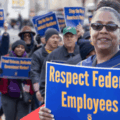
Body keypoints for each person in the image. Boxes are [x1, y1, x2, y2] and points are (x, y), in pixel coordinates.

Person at [39, 6, 120, 119]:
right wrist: (50, 114)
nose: (103, 31)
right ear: (90, 31)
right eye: (97, 26)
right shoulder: (80, 67)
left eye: (111, 26)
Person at [40, 26, 80, 99]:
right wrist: (47, 96)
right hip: (58, 98)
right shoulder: (53, 55)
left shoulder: (83, 53)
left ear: (76, 38)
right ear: (63, 38)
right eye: (66, 36)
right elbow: (44, 79)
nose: (69, 38)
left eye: (71, 36)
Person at [0, 40, 34, 120]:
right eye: (18, 47)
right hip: (8, 95)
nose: (20, 49)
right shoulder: (6, 59)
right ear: (14, 48)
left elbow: (35, 75)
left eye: (22, 47)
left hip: (24, 95)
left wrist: (31, 73)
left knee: (23, 118)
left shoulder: (29, 60)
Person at [30, 28, 59, 102]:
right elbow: (34, 73)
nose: (55, 40)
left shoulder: (62, 52)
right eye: (53, 37)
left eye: (57, 37)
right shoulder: (37, 54)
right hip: (44, 90)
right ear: (46, 40)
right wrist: (37, 90)